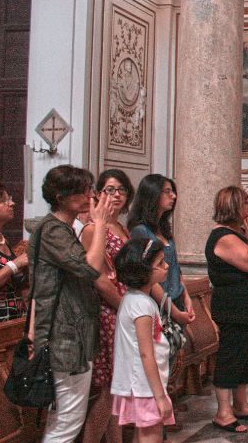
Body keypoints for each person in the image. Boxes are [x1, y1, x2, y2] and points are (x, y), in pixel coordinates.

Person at [30, 165, 115, 443]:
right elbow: (90, 268)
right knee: (68, 420)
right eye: (81, 191)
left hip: (72, 333)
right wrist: (100, 223)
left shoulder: (62, 228)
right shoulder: (53, 230)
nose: (89, 195)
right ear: (60, 196)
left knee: (65, 417)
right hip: (64, 336)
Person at [205, 186, 248, 433]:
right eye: (245, 201)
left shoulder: (239, 233)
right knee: (231, 356)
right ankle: (223, 412)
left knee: (247, 355)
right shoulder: (223, 237)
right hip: (234, 308)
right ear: (234, 207)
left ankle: (241, 404)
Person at [81, 170, 134, 443]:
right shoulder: (93, 229)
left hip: (125, 308)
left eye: (121, 190)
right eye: (110, 190)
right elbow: (99, 279)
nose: (116, 196)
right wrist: (126, 308)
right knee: (109, 389)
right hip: (110, 310)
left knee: (119, 388)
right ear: (99, 193)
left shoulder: (122, 228)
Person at [110, 238, 175, 443]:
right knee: (151, 435)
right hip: (144, 387)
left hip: (141, 384)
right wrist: (160, 396)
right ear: (144, 271)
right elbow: (146, 354)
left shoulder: (135, 299)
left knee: (142, 435)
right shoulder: (141, 306)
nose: (166, 266)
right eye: (160, 264)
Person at [128, 175, 195, 327]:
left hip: (176, 299)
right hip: (159, 303)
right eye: (167, 191)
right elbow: (148, 277)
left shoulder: (163, 228)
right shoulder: (140, 231)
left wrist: (186, 297)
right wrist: (175, 313)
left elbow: (175, 267)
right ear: (153, 194)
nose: (174, 196)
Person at [0, 182, 28, 324]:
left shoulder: (1, 239)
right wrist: (15, 264)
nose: (12, 203)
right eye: (3, 201)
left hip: (13, 318)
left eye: (9, 198)